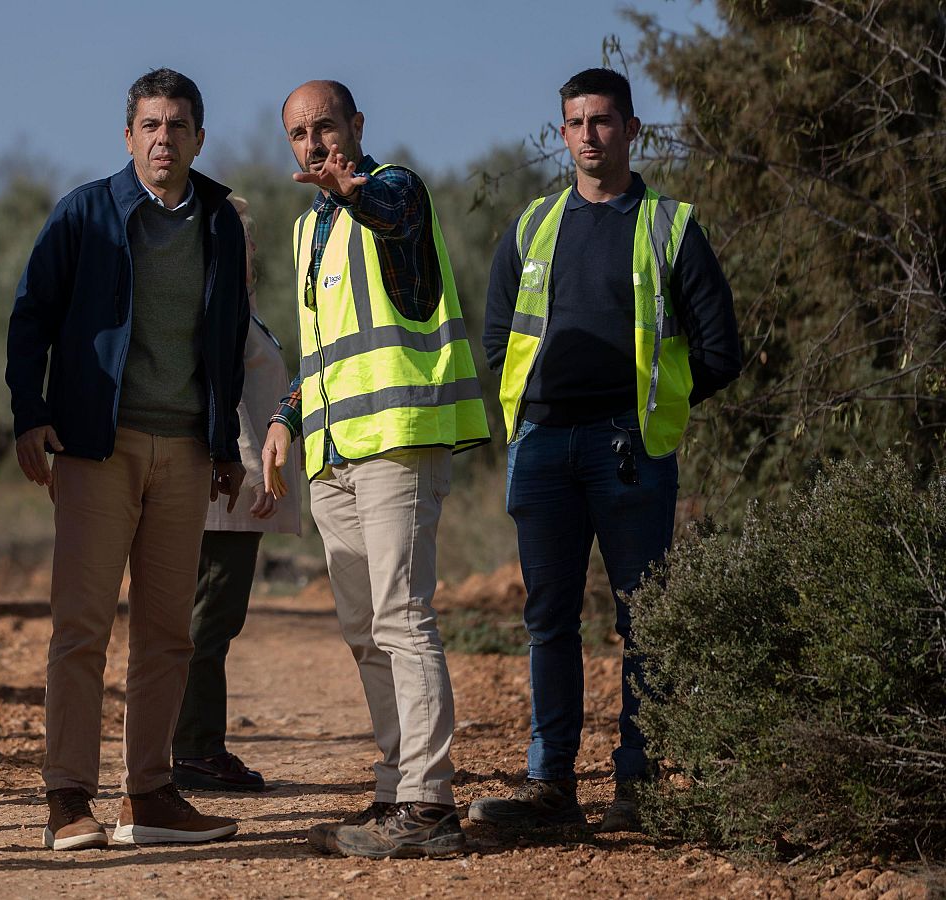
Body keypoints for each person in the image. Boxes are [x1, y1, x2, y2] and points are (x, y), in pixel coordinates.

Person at [471, 67, 741, 834]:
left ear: (632, 130)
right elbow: (499, 337)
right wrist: (531, 418)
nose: (588, 136)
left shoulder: (671, 226)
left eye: (602, 122)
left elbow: (721, 350)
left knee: (645, 621)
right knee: (548, 621)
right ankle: (551, 787)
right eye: (575, 123)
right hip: (543, 449)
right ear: (563, 134)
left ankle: (639, 787)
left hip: (629, 451)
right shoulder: (532, 226)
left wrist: (655, 407)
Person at [6, 68, 249, 851]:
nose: (163, 139)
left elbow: (230, 334)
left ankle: (149, 794)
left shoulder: (220, 219)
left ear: (198, 138)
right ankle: (67, 799)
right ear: (127, 136)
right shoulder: (86, 212)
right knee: (80, 628)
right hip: (95, 448)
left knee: (168, 632)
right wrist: (29, 415)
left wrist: (225, 441)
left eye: (178, 126)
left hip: (185, 450)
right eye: (149, 125)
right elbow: (30, 314)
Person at [260, 80, 489, 860]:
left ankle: (430, 804)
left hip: (398, 439)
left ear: (356, 126)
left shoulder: (394, 191)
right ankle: (398, 790)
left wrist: (354, 192)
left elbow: (389, 214)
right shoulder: (306, 232)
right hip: (333, 454)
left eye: (327, 127)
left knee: (401, 615)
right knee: (364, 630)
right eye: (299, 134)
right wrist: (285, 420)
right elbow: (319, 350)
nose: (315, 143)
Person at [171, 196, 301, 794]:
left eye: (248, 240)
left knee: (212, 621)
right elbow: (221, 398)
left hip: (232, 486)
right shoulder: (214, 307)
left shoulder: (240, 308)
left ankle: (197, 747)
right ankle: (193, 752)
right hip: (224, 491)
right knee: (208, 621)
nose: (247, 250)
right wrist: (255, 475)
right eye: (234, 238)